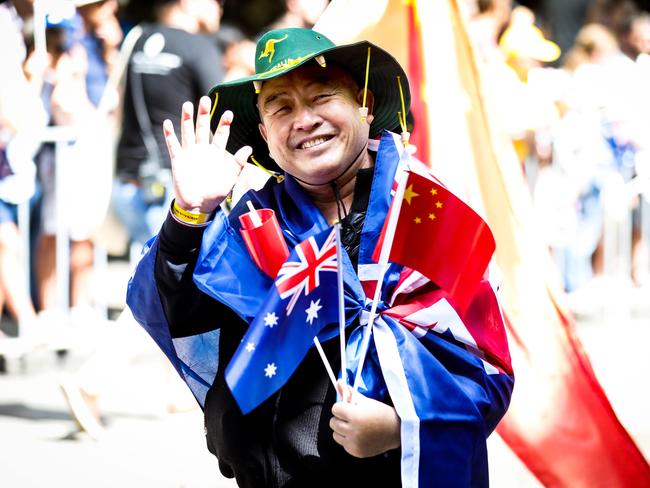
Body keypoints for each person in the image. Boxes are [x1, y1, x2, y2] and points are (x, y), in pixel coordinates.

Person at [127, 27, 514, 487]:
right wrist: (190, 214)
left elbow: (487, 373)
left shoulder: (429, 215)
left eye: (321, 96)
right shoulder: (253, 224)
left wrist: (398, 428)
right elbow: (178, 311)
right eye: (281, 108)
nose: (305, 120)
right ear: (266, 138)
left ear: (365, 105)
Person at [112, 0, 224, 250]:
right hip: (174, 188)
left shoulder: (136, 40)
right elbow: (223, 114)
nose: (220, 7)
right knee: (174, 278)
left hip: (127, 183)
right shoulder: (200, 47)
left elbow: (119, 106)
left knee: (147, 271)